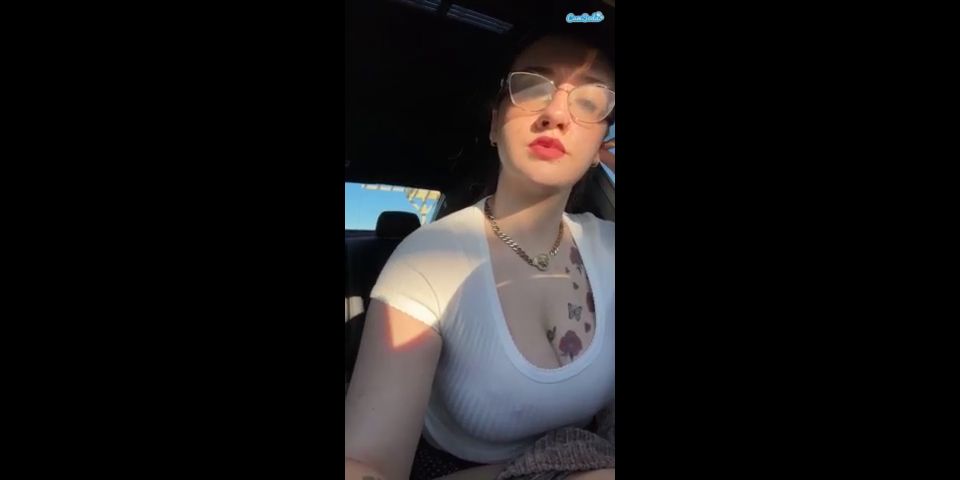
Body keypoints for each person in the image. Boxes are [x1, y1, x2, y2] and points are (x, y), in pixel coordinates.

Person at [345, 28, 616, 480]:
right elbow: (368, 461)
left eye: (590, 102)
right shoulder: (428, 260)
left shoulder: (608, 245)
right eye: (531, 87)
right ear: (494, 125)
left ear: (599, 148)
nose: (555, 114)